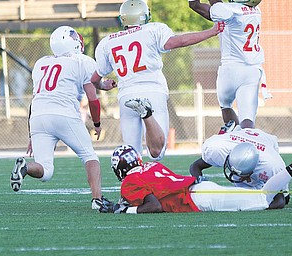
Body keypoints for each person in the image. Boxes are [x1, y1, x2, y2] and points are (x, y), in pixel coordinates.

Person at [91, 0, 225, 160]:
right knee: (157, 153)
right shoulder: (154, 29)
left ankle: (134, 182)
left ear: (123, 19)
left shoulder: (108, 41)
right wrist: (211, 31)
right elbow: (179, 41)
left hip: (126, 96)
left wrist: (103, 85)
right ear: (145, 16)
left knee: (132, 156)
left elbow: (94, 80)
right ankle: (147, 114)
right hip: (153, 92)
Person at [9, 26, 115, 211]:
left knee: (45, 170)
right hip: (63, 114)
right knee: (89, 156)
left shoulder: (42, 63)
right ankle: (97, 200)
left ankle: (25, 167)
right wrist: (97, 123)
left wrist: (31, 136)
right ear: (73, 43)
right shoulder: (82, 61)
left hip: (38, 117)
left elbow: (35, 101)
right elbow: (92, 97)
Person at [99, 144, 292, 213]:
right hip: (202, 190)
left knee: (263, 199)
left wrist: (125, 209)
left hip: (201, 200)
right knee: (262, 198)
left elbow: (153, 206)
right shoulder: (151, 166)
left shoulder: (129, 181)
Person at [188, 0, 268, 129]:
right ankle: (247, 144)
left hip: (231, 68)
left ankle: (234, 137)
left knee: (226, 106)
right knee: (247, 120)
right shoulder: (256, 11)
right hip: (252, 70)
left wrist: (193, 3)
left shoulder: (229, 10)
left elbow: (201, 6)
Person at [190, 124, 287, 190]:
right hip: (237, 138)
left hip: (266, 142)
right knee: (243, 189)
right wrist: (199, 182)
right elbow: (195, 166)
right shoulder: (217, 150)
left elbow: (280, 201)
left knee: (283, 195)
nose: (234, 176)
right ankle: (232, 130)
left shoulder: (273, 167)